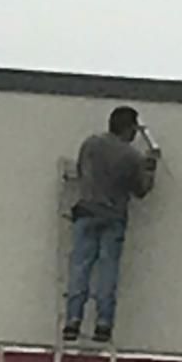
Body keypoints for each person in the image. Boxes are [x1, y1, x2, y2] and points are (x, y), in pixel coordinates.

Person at [62, 105, 158, 343]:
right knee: (107, 270)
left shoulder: (90, 144)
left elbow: (81, 173)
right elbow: (141, 190)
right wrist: (149, 168)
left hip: (86, 212)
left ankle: (73, 321)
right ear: (129, 128)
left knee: (80, 267)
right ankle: (103, 324)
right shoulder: (131, 157)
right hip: (113, 217)